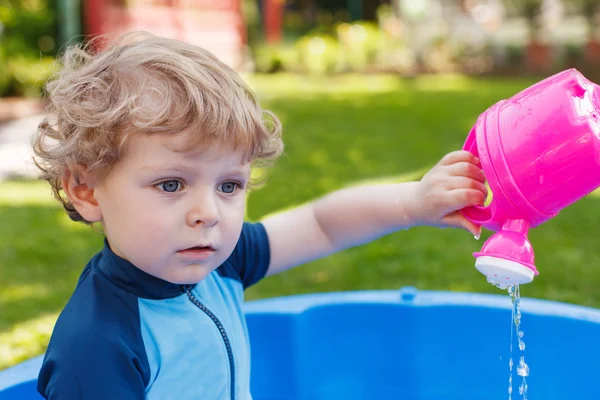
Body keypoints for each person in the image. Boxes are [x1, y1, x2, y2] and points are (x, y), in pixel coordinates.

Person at [32, 31, 487, 400]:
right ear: (86, 188)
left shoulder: (218, 264)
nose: (208, 214)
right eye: (171, 184)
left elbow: (320, 225)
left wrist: (413, 203)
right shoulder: (96, 345)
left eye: (229, 185)